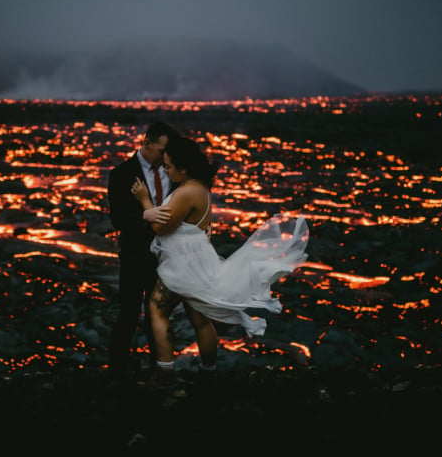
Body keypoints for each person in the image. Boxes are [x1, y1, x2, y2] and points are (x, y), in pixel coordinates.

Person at [131, 134, 309, 385]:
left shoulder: (187, 191)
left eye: (169, 166)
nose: (166, 170)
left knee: (157, 310)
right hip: (199, 262)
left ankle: (165, 374)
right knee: (201, 320)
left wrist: (144, 200)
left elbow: (161, 228)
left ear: (183, 168)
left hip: (182, 266)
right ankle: (208, 372)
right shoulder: (200, 187)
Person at [106, 121, 179, 379]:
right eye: (161, 151)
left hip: (165, 258)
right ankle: (116, 373)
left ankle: (157, 372)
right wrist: (147, 214)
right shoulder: (121, 174)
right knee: (128, 314)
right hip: (135, 256)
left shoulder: (172, 172)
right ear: (146, 143)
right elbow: (119, 220)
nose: (164, 156)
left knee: (158, 317)